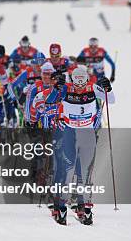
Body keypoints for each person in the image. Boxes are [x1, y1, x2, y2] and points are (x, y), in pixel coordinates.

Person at [45, 65, 114, 225]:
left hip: (87, 133)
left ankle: (85, 208)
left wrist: (107, 89)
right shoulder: (66, 88)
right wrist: (57, 87)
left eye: (82, 83)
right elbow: (50, 101)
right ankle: (60, 207)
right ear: (72, 80)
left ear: (87, 80)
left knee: (85, 170)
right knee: (67, 169)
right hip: (69, 133)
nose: (80, 87)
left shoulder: (93, 87)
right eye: (77, 83)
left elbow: (111, 100)